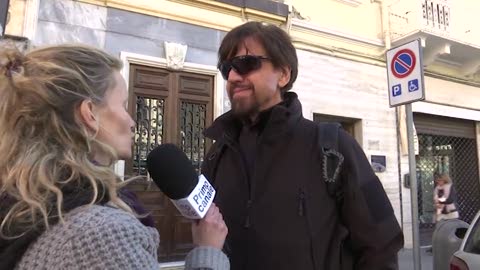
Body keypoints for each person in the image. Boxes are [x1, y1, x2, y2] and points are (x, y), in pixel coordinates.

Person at [0, 44, 229, 270]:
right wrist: (207, 252)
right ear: (89, 113)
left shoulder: (21, 204)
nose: (132, 122)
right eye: (123, 105)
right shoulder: (101, 234)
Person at [201, 21, 404, 270]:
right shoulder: (216, 154)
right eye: (226, 68)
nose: (233, 77)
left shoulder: (333, 147)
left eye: (246, 64)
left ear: (283, 75)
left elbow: (381, 245)